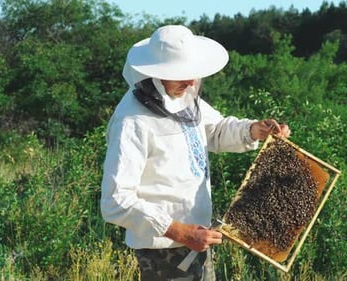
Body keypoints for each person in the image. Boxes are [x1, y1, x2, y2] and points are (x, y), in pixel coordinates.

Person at [100, 25, 291, 281]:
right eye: (180, 75)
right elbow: (115, 201)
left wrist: (254, 130)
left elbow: (215, 130)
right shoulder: (132, 121)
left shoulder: (184, 96)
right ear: (156, 74)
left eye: (191, 74)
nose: (190, 82)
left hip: (197, 238)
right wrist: (180, 232)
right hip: (163, 250)